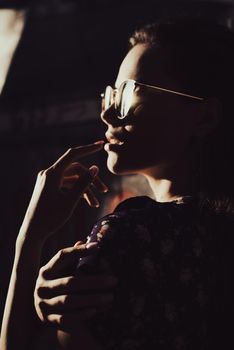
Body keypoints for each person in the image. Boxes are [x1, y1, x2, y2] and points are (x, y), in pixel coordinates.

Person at [1, 19, 234, 350]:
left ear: (204, 118)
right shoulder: (214, 233)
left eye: (129, 93)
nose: (109, 115)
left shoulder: (131, 235)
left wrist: (31, 237)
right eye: (111, 94)